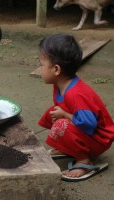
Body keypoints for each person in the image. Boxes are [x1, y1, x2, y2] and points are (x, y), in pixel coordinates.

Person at [38, 33, 114, 181]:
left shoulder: (77, 94)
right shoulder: (59, 84)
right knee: (52, 113)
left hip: (99, 138)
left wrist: (65, 116)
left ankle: (84, 161)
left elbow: (90, 124)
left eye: (41, 64)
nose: (40, 69)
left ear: (56, 70)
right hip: (86, 131)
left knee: (61, 122)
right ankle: (68, 146)